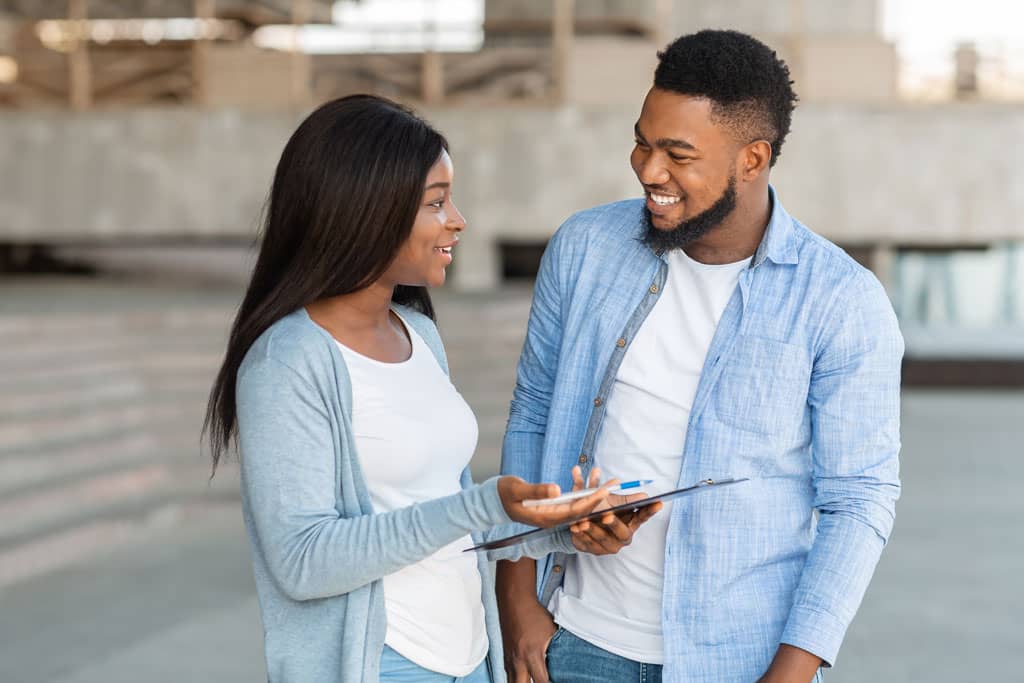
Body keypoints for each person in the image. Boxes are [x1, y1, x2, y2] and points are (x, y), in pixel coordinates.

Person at [202, 95, 660, 683]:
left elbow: (448, 514)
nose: (458, 220)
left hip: (469, 657)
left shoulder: (416, 333)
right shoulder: (287, 361)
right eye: (435, 203)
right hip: (382, 665)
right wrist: (484, 502)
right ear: (367, 211)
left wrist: (563, 529)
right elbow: (303, 561)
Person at [496, 29, 904, 683]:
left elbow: (858, 499)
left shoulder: (841, 300)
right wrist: (516, 599)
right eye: (642, 141)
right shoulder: (582, 249)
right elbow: (533, 413)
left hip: (743, 661)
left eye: (678, 154)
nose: (649, 170)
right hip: (575, 643)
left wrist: (790, 673)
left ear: (752, 159)